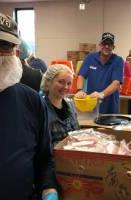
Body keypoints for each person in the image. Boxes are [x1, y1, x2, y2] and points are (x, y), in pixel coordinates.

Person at [0, 13, 58, 200]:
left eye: (4, 46)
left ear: (16, 52)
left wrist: (49, 188)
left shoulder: (32, 101)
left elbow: (44, 158)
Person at [75, 32, 124, 114]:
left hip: (110, 107)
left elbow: (116, 83)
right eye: (104, 43)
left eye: (110, 44)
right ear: (100, 45)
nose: (107, 46)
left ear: (114, 47)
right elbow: (81, 75)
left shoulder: (118, 60)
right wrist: (79, 90)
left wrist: (102, 94)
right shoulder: (90, 58)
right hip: (92, 105)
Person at [40, 64, 80, 146]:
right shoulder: (40, 108)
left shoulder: (70, 105)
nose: (65, 87)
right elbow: (41, 145)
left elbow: (77, 133)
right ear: (48, 82)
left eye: (69, 83)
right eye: (61, 82)